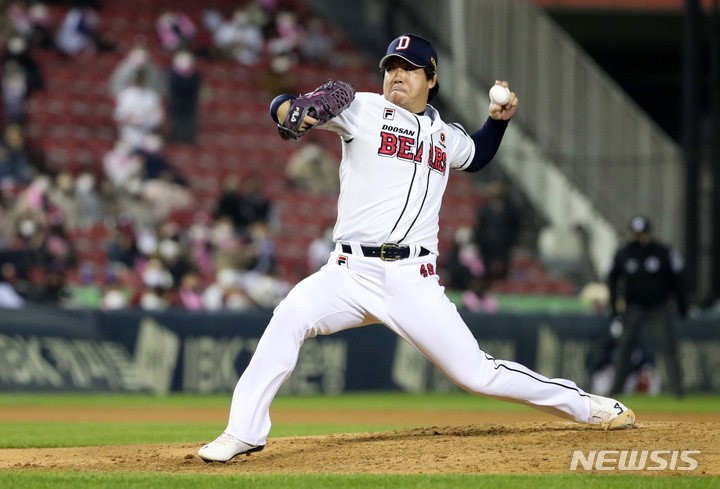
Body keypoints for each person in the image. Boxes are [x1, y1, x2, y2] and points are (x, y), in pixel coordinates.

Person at [197, 33, 635, 463]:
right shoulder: (362, 108)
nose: (396, 76)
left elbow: (477, 154)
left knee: (478, 374)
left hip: (413, 281)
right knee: (289, 315)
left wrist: (498, 121)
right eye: (390, 68)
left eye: (408, 69)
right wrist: (288, 110)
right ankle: (243, 432)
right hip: (349, 272)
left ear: (431, 78)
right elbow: (287, 109)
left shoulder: (445, 135)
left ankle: (587, 406)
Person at [607, 215, 687, 398]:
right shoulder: (624, 253)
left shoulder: (662, 252)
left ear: (649, 233)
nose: (639, 238)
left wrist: (682, 305)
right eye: (636, 234)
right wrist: (614, 308)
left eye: (642, 233)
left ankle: (677, 390)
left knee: (667, 346)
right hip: (634, 306)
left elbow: (678, 279)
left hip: (659, 306)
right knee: (625, 347)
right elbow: (612, 280)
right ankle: (615, 389)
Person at [474, 179, 519, 282]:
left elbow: (514, 227)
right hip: (486, 248)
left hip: (504, 247)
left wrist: (511, 243)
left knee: (503, 274)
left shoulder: (510, 210)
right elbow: (480, 227)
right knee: (486, 275)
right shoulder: (484, 210)